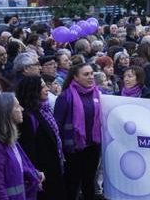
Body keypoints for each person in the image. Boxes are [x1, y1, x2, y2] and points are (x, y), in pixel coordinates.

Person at [0, 93, 41, 200]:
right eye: (17, 106)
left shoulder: (7, 140)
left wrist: (34, 174)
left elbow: (16, 168)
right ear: (6, 112)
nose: (22, 109)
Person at [54, 61, 102, 200]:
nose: (91, 77)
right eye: (86, 74)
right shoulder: (65, 96)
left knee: (89, 182)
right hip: (73, 149)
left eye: (92, 74)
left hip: (92, 146)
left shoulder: (98, 93)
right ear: (75, 77)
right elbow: (57, 124)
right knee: (72, 183)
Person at [15, 76, 65, 199]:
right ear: (32, 90)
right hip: (42, 172)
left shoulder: (44, 109)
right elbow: (28, 148)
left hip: (53, 167)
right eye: (42, 87)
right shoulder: (27, 116)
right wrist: (35, 174)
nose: (47, 89)